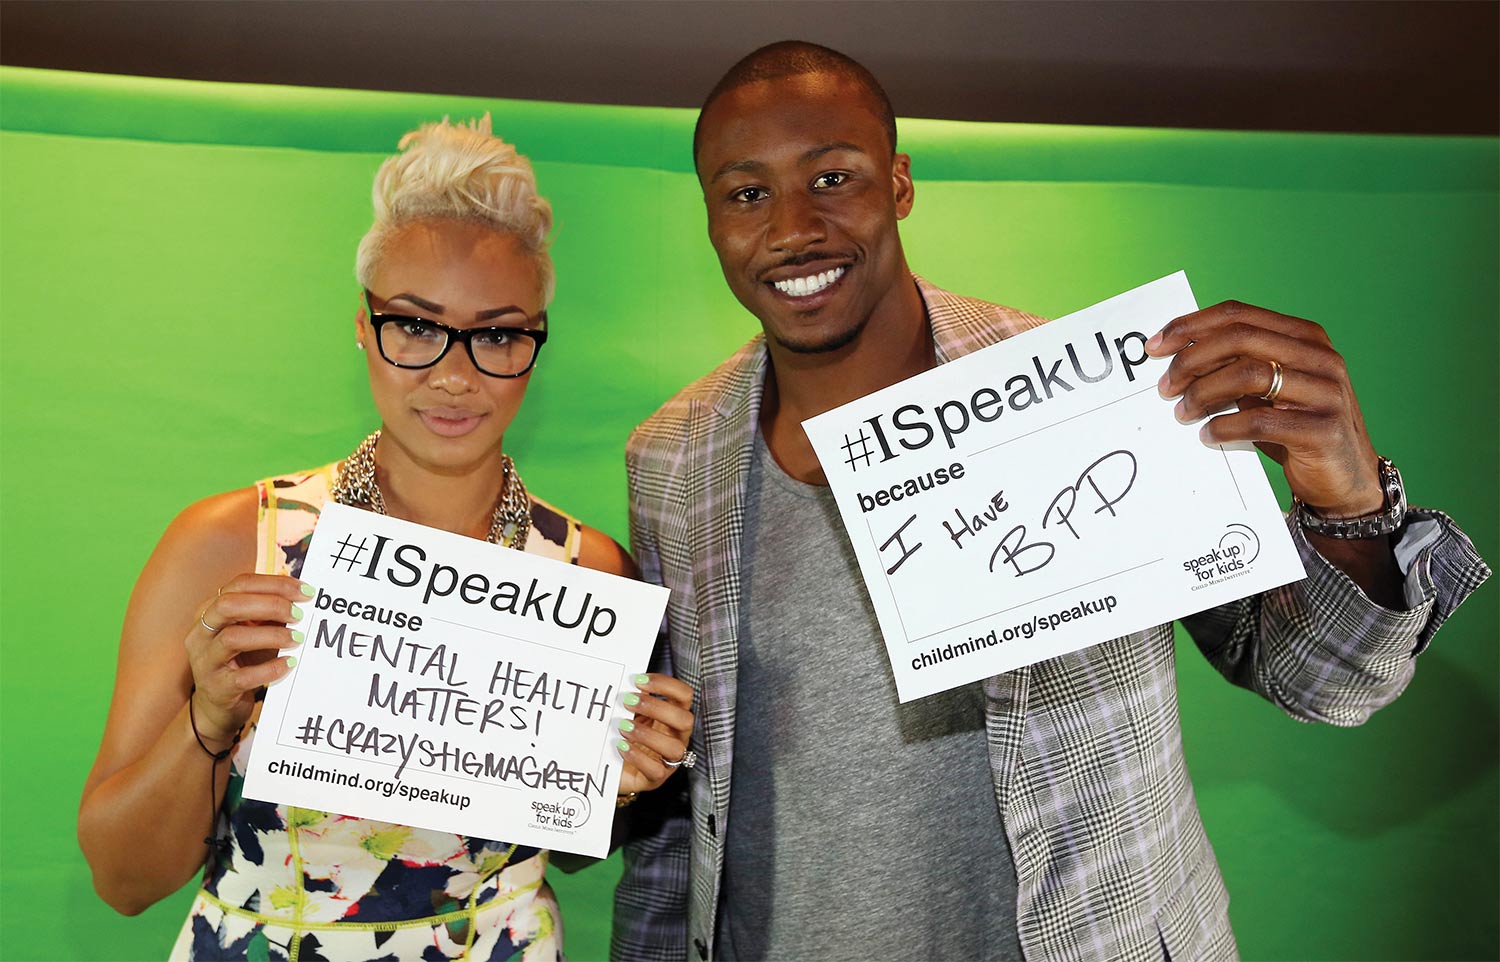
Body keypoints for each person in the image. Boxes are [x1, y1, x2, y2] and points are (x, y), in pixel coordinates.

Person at [611, 41, 1490, 962]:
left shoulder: (1087, 396)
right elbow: (680, 810)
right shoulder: (672, 459)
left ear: (900, 184)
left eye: (834, 177)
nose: (794, 227)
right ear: (710, 218)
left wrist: (1347, 505)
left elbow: (1325, 681)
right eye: (747, 193)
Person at [78, 116, 695, 961]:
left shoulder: (586, 573)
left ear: (535, 347)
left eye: (498, 334)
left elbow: (570, 852)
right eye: (415, 325)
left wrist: (621, 789)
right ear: (364, 330)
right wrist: (208, 718)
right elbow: (122, 880)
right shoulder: (233, 544)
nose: (454, 373)